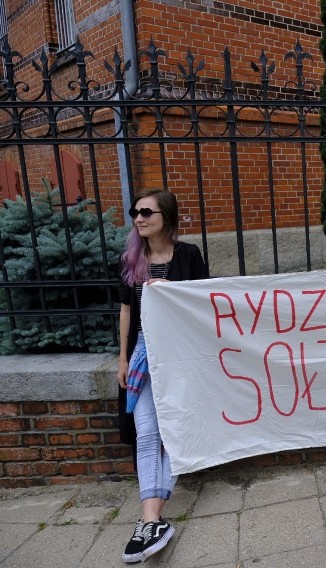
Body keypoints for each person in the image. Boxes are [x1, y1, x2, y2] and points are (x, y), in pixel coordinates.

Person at [116, 188, 209, 563]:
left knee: (175, 429)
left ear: (166, 217)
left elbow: (206, 300)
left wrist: (174, 291)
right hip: (143, 356)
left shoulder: (188, 255)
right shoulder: (130, 260)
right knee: (147, 432)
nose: (139, 218)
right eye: (135, 212)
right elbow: (126, 311)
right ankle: (151, 519)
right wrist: (122, 358)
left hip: (181, 354)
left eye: (147, 212)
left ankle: (152, 521)